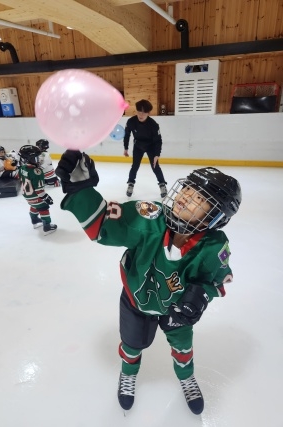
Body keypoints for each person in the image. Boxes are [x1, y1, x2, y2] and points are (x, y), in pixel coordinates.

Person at [55, 151, 242, 415]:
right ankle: (128, 373)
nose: (186, 196)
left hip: (176, 312)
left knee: (183, 346)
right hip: (136, 303)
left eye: (199, 198)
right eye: (187, 189)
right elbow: (102, 227)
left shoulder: (214, 246)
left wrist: (200, 297)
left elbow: (218, 280)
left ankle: (186, 377)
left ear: (215, 216)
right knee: (131, 344)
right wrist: (81, 190)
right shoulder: (150, 216)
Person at [123, 99, 167, 198]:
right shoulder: (131, 121)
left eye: (144, 113)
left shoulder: (154, 125)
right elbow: (127, 135)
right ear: (136, 111)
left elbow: (158, 140)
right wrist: (126, 148)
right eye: (139, 112)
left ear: (148, 113)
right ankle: (130, 184)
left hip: (151, 146)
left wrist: (157, 154)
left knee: (155, 167)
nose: (141, 115)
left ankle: (162, 185)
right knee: (135, 166)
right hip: (138, 146)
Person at [19, 145, 57, 236]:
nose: (39, 159)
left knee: (34, 205)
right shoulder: (37, 171)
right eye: (37, 157)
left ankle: (35, 220)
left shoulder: (22, 168)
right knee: (43, 207)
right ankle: (47, 226)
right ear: (30, 158)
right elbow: (39, 190)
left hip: (26, 195)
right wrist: (46, 197)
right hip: (35, 195)